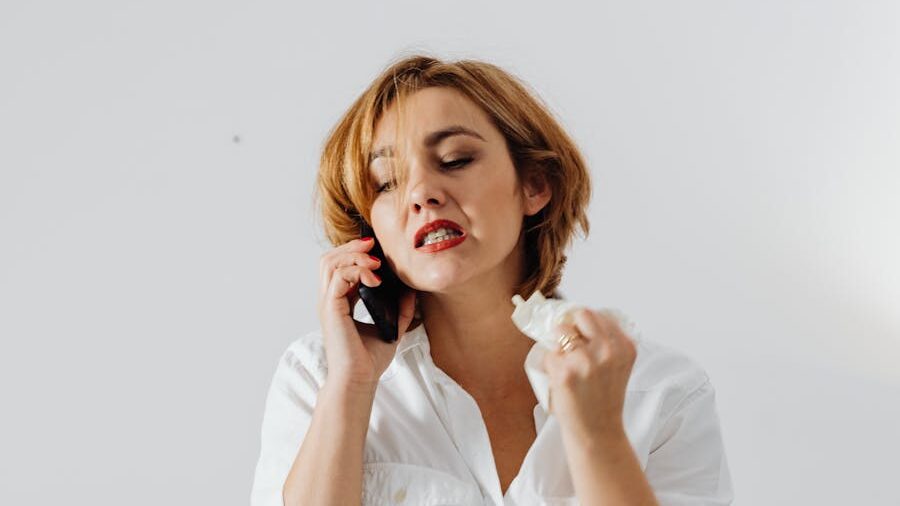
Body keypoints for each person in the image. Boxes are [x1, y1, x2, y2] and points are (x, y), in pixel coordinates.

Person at [251, 54, 733, 505]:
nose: (420, 194)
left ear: (535, 185)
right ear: (368, 229)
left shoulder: (663, 392)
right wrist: (352, 386)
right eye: (387, 182)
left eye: (456, 160)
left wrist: (598, 435)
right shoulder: (317, 378)